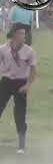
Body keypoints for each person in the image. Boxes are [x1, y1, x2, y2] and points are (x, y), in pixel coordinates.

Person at [0, 24, 37, 154]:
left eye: (24, 33)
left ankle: (21, 145)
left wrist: (28, 85)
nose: (24, 35)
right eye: (21, 33)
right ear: (14, 34)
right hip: (6, 82)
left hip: (21, 83)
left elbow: (33, 71)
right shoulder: (3, 49)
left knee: (20, 114)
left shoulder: (29, 51)